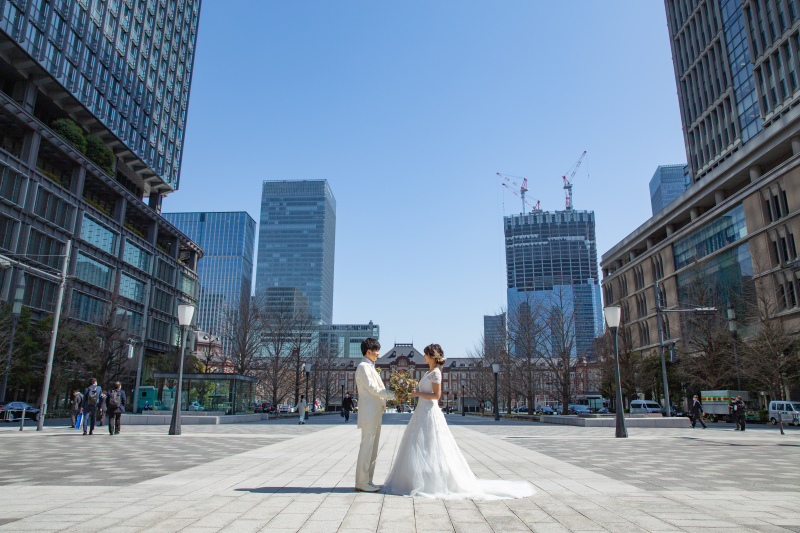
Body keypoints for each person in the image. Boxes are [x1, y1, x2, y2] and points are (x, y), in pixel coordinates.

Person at [383, 344, 536, 500]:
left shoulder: (436, 373)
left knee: (432, 444)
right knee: (420, 444)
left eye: (426, 354)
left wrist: (416, 393)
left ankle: (433, 480)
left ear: (432, 356)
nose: (423, 356)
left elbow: (436, 396)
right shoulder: (428, 372)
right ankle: (419, 479)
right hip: (421, 411)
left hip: (429, 411)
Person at [354, 338, 395, 492]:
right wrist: (393, 394)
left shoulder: (370, 366)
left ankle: (367, 480)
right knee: (367, 447)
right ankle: (362, 482)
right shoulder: (363, 367)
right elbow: (373, 389)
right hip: (369, 412)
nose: (378, 353)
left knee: (373, 448)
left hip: (376, 411)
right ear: (368, 351)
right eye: (376, 350)